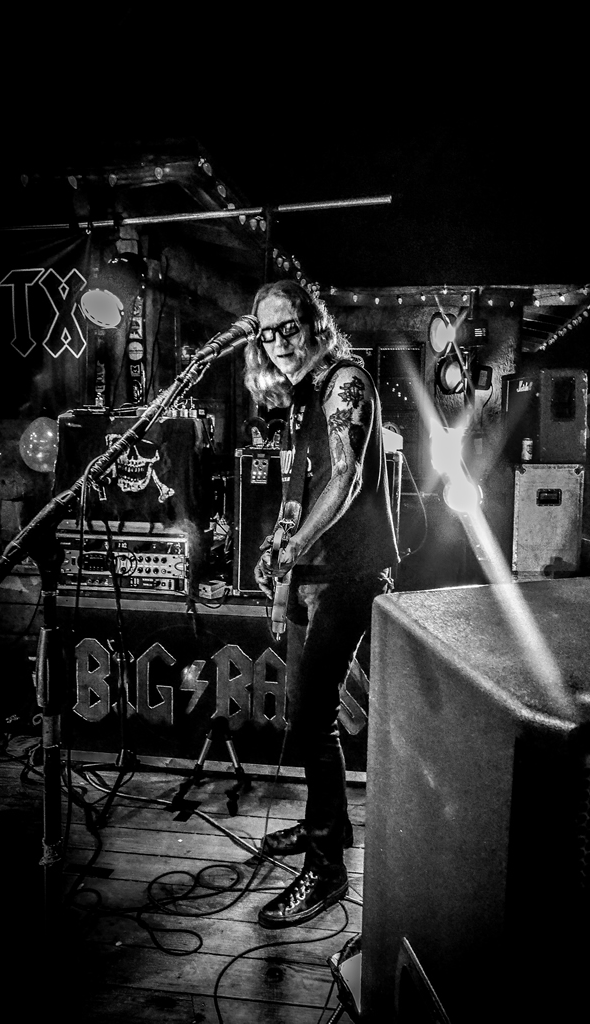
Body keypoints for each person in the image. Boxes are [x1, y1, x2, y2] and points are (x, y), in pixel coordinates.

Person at [243, 279, 399, 928]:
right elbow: (300, 489)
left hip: (346, 575)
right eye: (265, 333)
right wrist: (278, 543)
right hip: (311, 572)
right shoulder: (303, 396)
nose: (277, 342)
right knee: (304, 717)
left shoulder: (344, 381)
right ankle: (325, 825)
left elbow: (347, 477)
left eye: (287, 327)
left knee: (312, 721)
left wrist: (296, 547)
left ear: (314, 323)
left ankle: (326, 867)